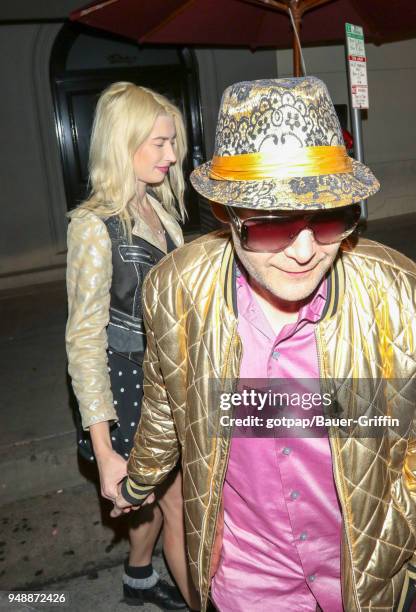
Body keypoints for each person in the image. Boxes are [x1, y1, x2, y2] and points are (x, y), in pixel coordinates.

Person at [112, 77, 416, 611]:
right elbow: (166, 398)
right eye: (273, 226)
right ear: (226, 216)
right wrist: (142, 478)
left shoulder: (401, 295)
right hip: (250, 575)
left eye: (328, 220)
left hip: (364, 567)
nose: (304, 251)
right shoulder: (175, 289)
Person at [66, 81, 198, 610]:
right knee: (183, 507)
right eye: (160, 144)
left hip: (167, 381)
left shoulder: (156, 208)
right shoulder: (93, 227)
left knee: (152, 501)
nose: (171, 156)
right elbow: (83, 342)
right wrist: (103, 451)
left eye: (173, 144)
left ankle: (138, 576)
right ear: (124, 145)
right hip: (128, 393)